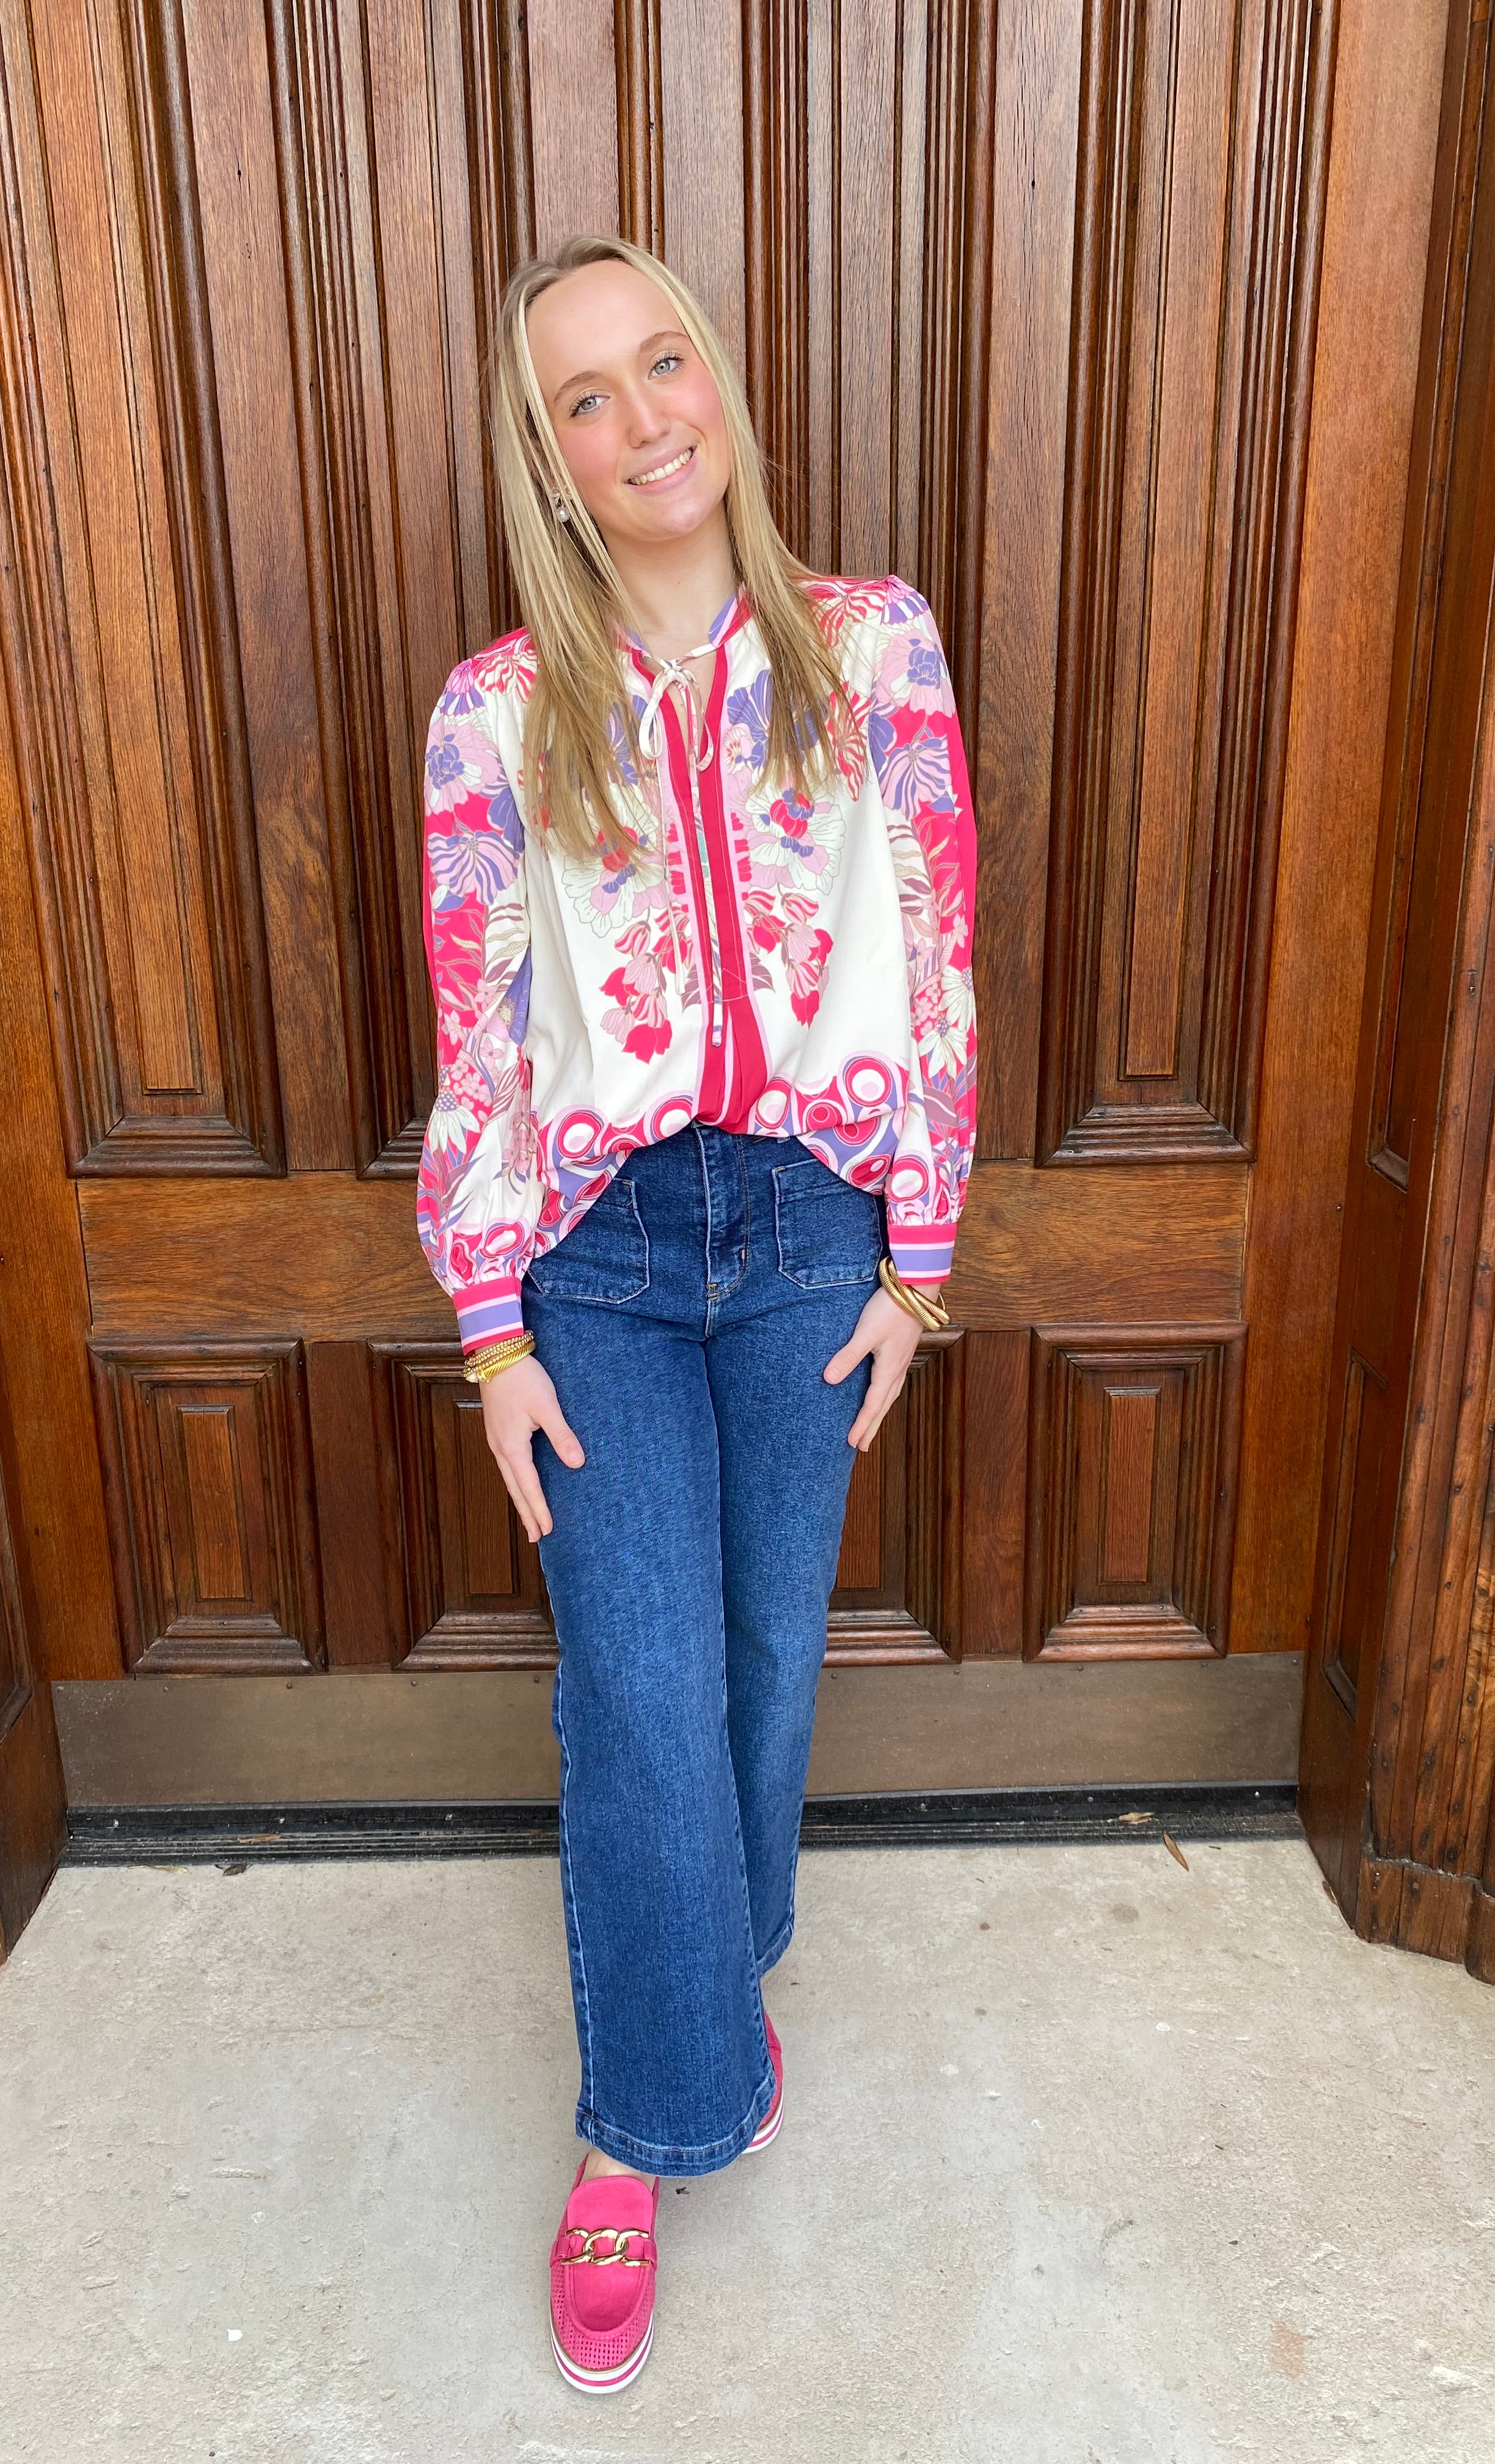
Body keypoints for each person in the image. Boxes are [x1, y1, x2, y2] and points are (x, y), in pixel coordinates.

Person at [416, 233, 978, 2393]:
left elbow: (930, 952)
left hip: (815, 1234)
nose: (646, 417)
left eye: (668, 365)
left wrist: (923, 1261)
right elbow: (478, 1037)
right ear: (546, 460)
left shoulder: (870, 649)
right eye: (586, 395)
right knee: (635, 1680)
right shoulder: (496, 713)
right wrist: (492, 1327)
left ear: (722, 386)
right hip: (606, 1258)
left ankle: (708, 1964)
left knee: (756, 1658)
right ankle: (635, 2131)